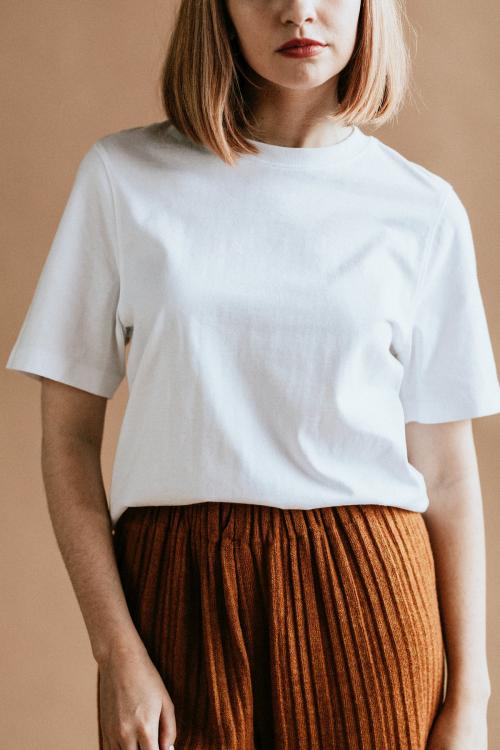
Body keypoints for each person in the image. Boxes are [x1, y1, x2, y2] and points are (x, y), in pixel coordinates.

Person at [5, 0, 500, 748]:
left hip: (371, 599)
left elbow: (450, 475)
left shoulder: (422, 210)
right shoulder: (123, 177)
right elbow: (68, 441)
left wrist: (470, 700)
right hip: (176, 593)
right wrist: (116, 652)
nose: (297, 9)